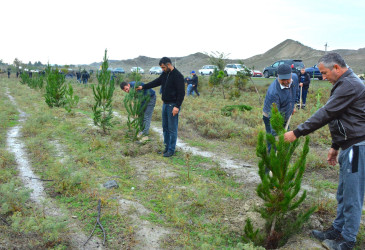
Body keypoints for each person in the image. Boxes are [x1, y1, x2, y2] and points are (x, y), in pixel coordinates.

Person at [284, 52, 365, 250]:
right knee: (343, 193)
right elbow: (340, 118)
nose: (323, 77)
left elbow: (327, 113)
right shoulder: (343, 84)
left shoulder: (350, 85)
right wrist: (335, 146)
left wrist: (297, 132)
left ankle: (347, 240)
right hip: (348, 145)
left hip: (357, 146)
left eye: (324, 72)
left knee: (352, 196)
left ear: (336, 68)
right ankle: (336, 230)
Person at [137, 57, 185, 157]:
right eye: (161, 68)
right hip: (165, 104)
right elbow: (156, 82)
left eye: (163, 67)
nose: (162, 69)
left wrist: (177, 106)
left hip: (173, 105)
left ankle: (171, 150)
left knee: (172, 129)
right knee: (165, 128)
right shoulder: (165, 74)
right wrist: (143, 86)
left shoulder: (178, 76)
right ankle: (166, 148)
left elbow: (181, 93)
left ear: (168, 65)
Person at [262, 64, 298, 151]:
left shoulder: (295, 78)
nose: (285, 82)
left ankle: (283, 158)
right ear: (278, 76)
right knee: (274, 141)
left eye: (287, 79)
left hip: (285, 114)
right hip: (271, 117)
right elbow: (274, 118)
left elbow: (296, 91)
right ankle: (272, 161)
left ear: (291, 75)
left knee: (286, 139)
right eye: (282, 79)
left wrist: (293, 105)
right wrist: (277, 138)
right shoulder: (273, 93)